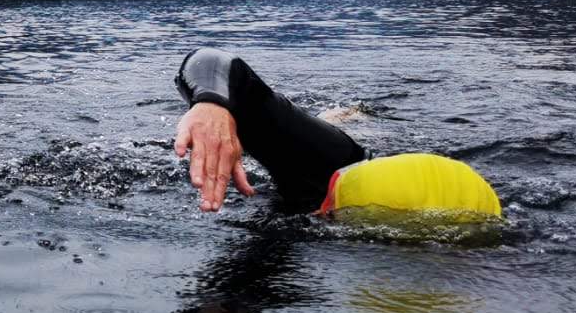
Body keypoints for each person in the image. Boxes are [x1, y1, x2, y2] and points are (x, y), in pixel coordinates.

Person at [173, 47, 499, 218]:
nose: (324, 207)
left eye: (338, 204)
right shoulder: (331, 166)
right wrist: (212, 103)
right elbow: (211, 60)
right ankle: (351, 115)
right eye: (335, 194)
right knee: (341, 120)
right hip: (345, 150)